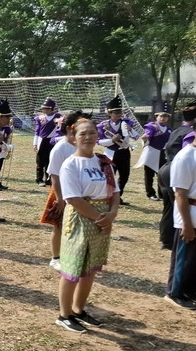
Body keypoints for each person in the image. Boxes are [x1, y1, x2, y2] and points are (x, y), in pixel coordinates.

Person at [55, 119, 119, 333]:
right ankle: (64, 315)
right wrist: (101, 218)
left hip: (102, 218)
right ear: (73, 138)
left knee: (90, 269)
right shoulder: (70, 164)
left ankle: (78, 309)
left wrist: (112, 214)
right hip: (81, 219)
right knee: (72, 268)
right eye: (83, 134)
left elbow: (115, 191)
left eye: (92, 133)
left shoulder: (103, 162)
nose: (88, 137)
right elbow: (73, 199)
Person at [163, 113, 196, 310]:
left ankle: (191, 290)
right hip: (193, 216)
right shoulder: (186, 156)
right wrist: (186, 223)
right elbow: (180, 193)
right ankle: (174, 292)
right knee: (184, 259)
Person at [39, 111, 88, 272]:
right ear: (69, 128)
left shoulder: (81, 145)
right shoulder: (60, 148)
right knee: (59, 226)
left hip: (80, 192)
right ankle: (56, 258)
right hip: (62, 192)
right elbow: (54, 175)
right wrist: (60, 198)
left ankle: (74, 255)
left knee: (77, 226)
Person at [158, 100, 196, 250]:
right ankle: (179, 239)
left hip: (165, 168)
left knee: (169, 206)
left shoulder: (178, 129)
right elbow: (189, 153)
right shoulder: (191, 133)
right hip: (176, 170)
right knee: (181, 205)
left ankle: (166, 240)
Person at [97, 95, 139, 205]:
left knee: (124, 176)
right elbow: (99, 141)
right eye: (115, 112)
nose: (118, 114)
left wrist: (131, 130)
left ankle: (117, 197)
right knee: (109, 176)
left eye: (120, 112)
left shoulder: (127, 123)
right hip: (110, 153)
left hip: (124, 152)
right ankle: (108, 197)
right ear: (110, 113)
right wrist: (112, 140)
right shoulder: (103, 125)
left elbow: (136, 137)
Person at [136, 106, 172, 201]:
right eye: (161, 116)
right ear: (157, 117)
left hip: (163, 153)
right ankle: (150, 193)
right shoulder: (151, 126)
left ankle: (162, 193)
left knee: (162, 174)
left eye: (165, 116)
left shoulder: (169, 129)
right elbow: (148, 137)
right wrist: (145, 139)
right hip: (151, 152)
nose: (163, 118)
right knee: (149, 174)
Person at [33, 97, 62, 186]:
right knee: (40, 161)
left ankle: (48, 178)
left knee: (50, 160)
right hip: (41, 141)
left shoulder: (58, 117)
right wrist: (35, 143)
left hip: (52, 141)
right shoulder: (39, 118)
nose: (43, 110)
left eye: (45, 108)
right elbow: (37, 131)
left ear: (50, 108)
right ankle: (39, 179)